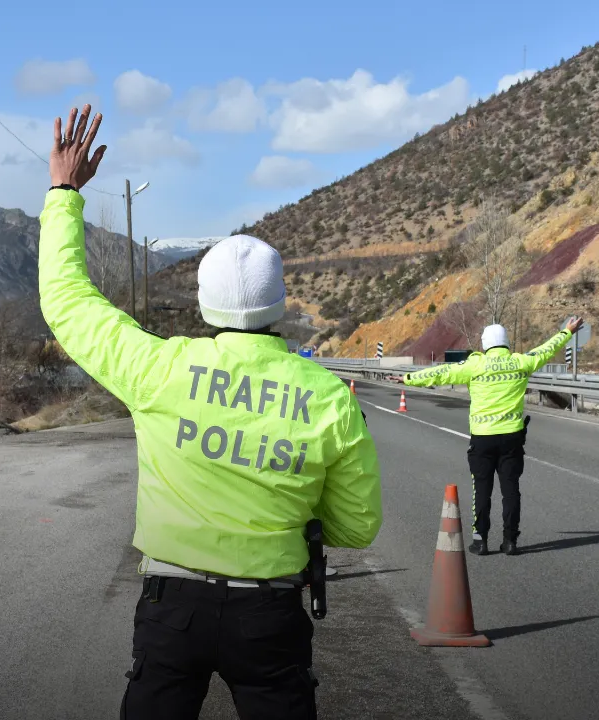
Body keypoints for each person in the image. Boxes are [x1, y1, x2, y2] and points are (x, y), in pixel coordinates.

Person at [38, 104, 382, 720]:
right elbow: (357, 528)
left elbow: (68, 301)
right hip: (270, 616)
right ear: (279, 303)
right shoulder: (328, 396)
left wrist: (64, 193)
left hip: (172, 612)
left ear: (203, 302)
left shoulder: (159, 368)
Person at [397, 317, 584, 556]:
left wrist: (409, 378)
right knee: (511, 490)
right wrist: (567, 332)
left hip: (483, 439)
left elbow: (442, 373)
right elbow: (546, 349)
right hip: (512, 438)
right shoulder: (521, 362)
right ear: (506, 342)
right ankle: (510, 541)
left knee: (482, 489)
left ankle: (481, 541)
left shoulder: (475, 365)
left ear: (485, 344)